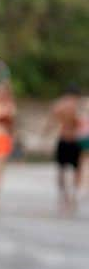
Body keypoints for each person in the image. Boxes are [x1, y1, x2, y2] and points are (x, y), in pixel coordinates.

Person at [49, 85, 83, 214]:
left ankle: (64, 196)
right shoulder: (77, 106)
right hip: (75, 139)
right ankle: (73, 194)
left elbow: (52, 121)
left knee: (62, 169)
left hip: (63, 137)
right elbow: (80, 122)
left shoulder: (58, 105)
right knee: (75, 169)